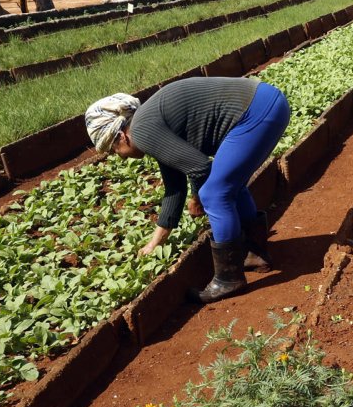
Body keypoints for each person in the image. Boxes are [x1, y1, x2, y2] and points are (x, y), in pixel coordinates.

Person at [85, 76, 291, 303]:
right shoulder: (148, 125)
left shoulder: (143, 131)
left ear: (121, 136)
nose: (121, 157)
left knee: (214, 193)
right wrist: (155, 243)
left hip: (256, 113)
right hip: (268, 103)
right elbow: (174, 188)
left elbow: (200, 166)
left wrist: (198, 198)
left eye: (115, 150)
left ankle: (228, 279)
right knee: (228, 185)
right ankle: (255, 254)